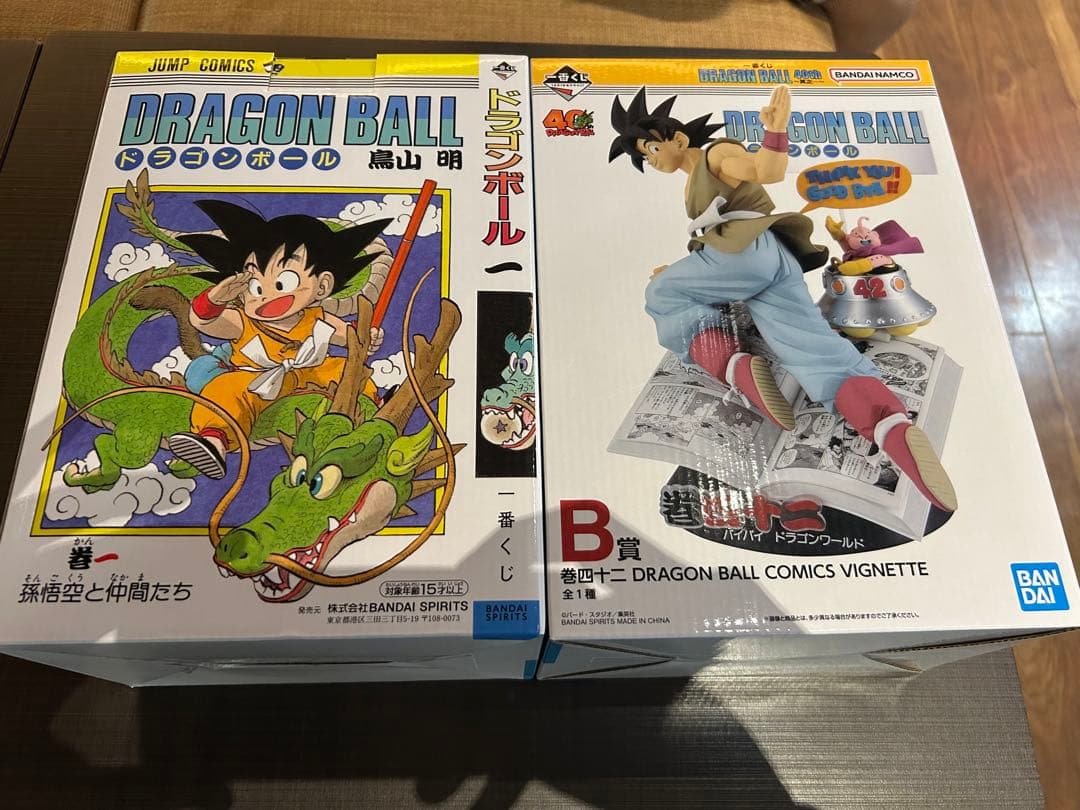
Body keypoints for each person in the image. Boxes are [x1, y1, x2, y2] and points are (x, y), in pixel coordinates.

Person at [608, 85, 956, 512]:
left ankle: (734, 367)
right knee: (816, 352)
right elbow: (720, 230)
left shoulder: (715, 155)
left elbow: (765, 171)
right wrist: (690, 266)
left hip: (746, 256)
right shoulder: (699, 174)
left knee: (661, 294)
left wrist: (775, 132)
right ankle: (890, 426)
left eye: (650, 148)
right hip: (775, 259)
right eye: (644, 158)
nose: (651, 160)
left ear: (677, 138)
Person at [167, 201, 390, 479]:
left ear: (322, 286)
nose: (266, 296)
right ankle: (214, 440)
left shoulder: (318, 318)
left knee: (346, 369)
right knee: (226, 388)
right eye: (255, 286)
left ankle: (375, 407)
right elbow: (202, 321)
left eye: (283, 283)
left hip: (310, 373)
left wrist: (367, 338)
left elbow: (351, 340)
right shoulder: (242, 321)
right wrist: (215, 299)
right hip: (255, 379)